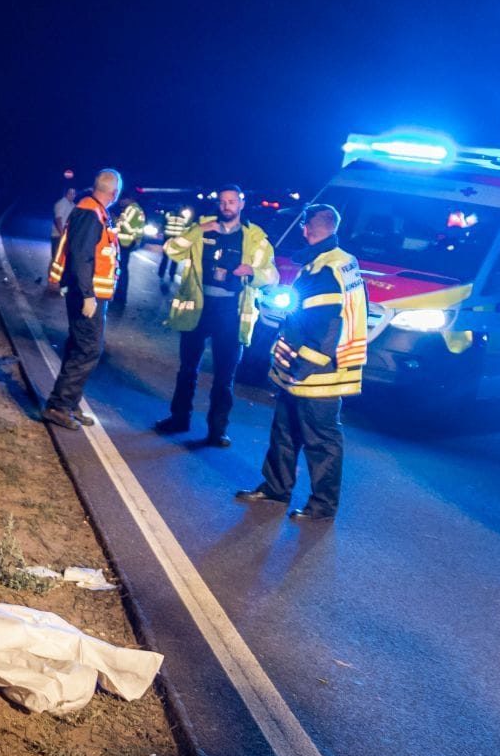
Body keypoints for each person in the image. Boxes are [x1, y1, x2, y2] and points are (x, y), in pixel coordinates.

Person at [235, 204, 367, 521]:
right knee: (285, 431)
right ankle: (276, 488)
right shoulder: (337, 262)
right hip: (307, 371)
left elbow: (326, 328)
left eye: (303, 225)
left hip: (317, 374)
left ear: (307, 227)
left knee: (321, 441)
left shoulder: (326, 269)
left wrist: (301, 369)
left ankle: (322, 505)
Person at [152, 185, 278, 446]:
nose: (226, 206)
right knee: (187, 369)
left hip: (231, 312)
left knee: (224, 377)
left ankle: (217, 430)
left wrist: (253, 272)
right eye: (222, 202)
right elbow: (172, 249)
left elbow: (273, 276)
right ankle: (179, 419)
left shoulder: (255, 238)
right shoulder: (202, 228)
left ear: (241, 204)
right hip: (198, 308)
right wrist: (197, 231)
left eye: (232, 202)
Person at [42, 169, 122, 430]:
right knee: (88, 348)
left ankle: (69, 401)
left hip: (92, 293)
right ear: (114, 192)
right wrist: (88, 295)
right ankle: (59, 405)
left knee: (81, 346)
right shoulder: (91, 212)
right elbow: (81, 256)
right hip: (87, 294)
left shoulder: (96, 210)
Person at [110, 194, 147, 316]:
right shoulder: (137, 209)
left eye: (122, 199)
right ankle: (120, 296)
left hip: (124, 243)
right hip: (127, 243)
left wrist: (118, 220)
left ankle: (120, 297)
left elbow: (128, 228)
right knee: (122, 270)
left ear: (129, 198)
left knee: (122, 271)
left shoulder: (132, 209)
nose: (120, 201)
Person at [158, 199, 195, 292]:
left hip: (177, 240)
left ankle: (171, 274)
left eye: (180, 207)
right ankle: (161, 273)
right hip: (168, 238)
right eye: (178, 206)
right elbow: (163, 223)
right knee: (165, 257)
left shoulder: (184, 217)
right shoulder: (169, 214)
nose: (179, 208)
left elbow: (187, 227)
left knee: (174, 258)